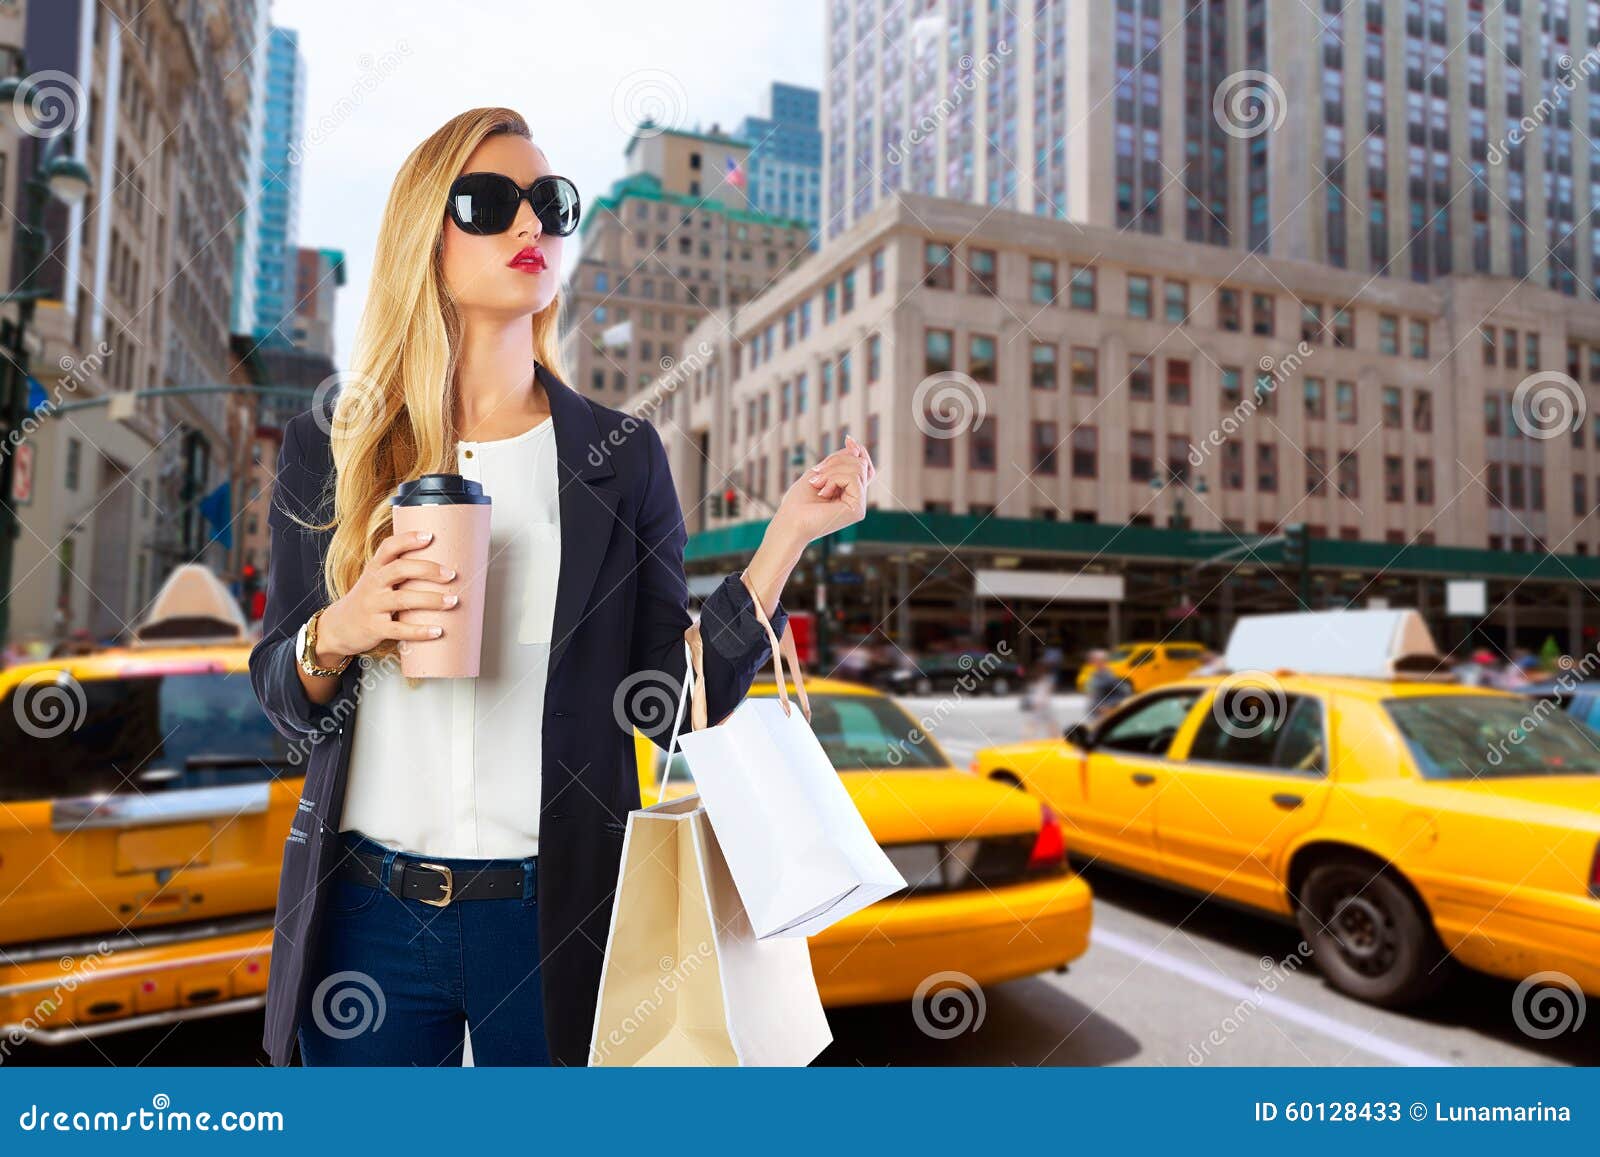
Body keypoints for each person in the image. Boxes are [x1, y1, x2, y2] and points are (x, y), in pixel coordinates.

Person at [249, 109, 875, 1068]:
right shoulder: (328, 449)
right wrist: (339, 628)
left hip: (555, 915)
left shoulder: (618, 457)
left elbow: (675, 705)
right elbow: (284, 699)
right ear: (427, 230)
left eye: (549, 203)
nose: (529, 225)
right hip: (366, 916)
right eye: (491, 203)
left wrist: (787, 534)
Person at [1081, 648, 1134, 719]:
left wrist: (1108, 705)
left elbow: (1125, 692)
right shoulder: (1094, 674)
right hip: (1094, 714)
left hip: (1103, 716)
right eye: (1092, 660)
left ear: (1103, 661)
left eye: (1095, 660)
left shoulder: (1109, 677)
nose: (1092, 662)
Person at [1020, 661, 1058, 739]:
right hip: (1040, 704)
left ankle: (1026, 738)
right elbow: (1048, 690)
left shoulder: (1041, 679)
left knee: (1048, 722)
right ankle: (1026, 738)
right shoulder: (1044, 679)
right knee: (1045, 722)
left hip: (1040, 704)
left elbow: (1047, 690)